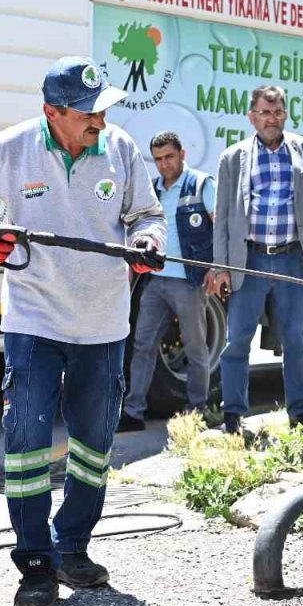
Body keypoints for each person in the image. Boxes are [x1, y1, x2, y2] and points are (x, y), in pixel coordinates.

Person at [0, 56, 166, 606]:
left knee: (92, 445)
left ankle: (73, 547)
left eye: (103, 110)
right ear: (51, 113)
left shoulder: (123, 150)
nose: (99, 122)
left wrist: (148, 242)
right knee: (27, 446)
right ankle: (35, 563)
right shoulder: (11, 149)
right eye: (87, 113)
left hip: (104, 325)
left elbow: (147, 215)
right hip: (34, 322)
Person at [207, 85, 303, 435]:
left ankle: (300, 413)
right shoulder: (233, 157)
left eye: (277, 112)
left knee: (295, 342)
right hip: (250, 260)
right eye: (264, 112)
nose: (271, 119)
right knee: (237, 341)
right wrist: (221, 266)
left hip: (293, 260)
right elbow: (224, 216)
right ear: (252, 116)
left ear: (285, 114)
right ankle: (233, 415)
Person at [118, 131, 217, 432]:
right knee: (142, 345)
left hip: (188, 281)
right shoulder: (153, 190)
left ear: (182, 154)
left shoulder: (201, 184)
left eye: (169, 157)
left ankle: (197, 409)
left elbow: (220, 225)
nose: (164, 165)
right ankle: (134, 412)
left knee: (197, 348)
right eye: (158, 159)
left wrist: (216, 268)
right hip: (155, 282)